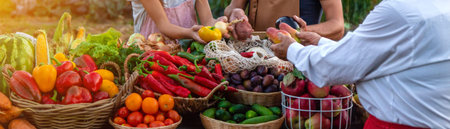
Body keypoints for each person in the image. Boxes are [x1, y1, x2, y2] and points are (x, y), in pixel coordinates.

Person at [270, 0, 450, 128]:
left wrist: (292, 50)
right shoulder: (441, 6)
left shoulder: (399, 11)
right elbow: (372, 54)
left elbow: (334, 67)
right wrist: (320, 42)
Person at [224, 0, 344, 40]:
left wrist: (300, 32)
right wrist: (236, 12)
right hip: (253, 56)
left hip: (298, 61)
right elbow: (233, 7)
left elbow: (337, 26)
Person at [130, 0, 229, 44]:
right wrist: (190, 33)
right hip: (154, 51)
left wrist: (216, 26)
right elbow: (164, 26)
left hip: (187, 50)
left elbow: (208, 20)